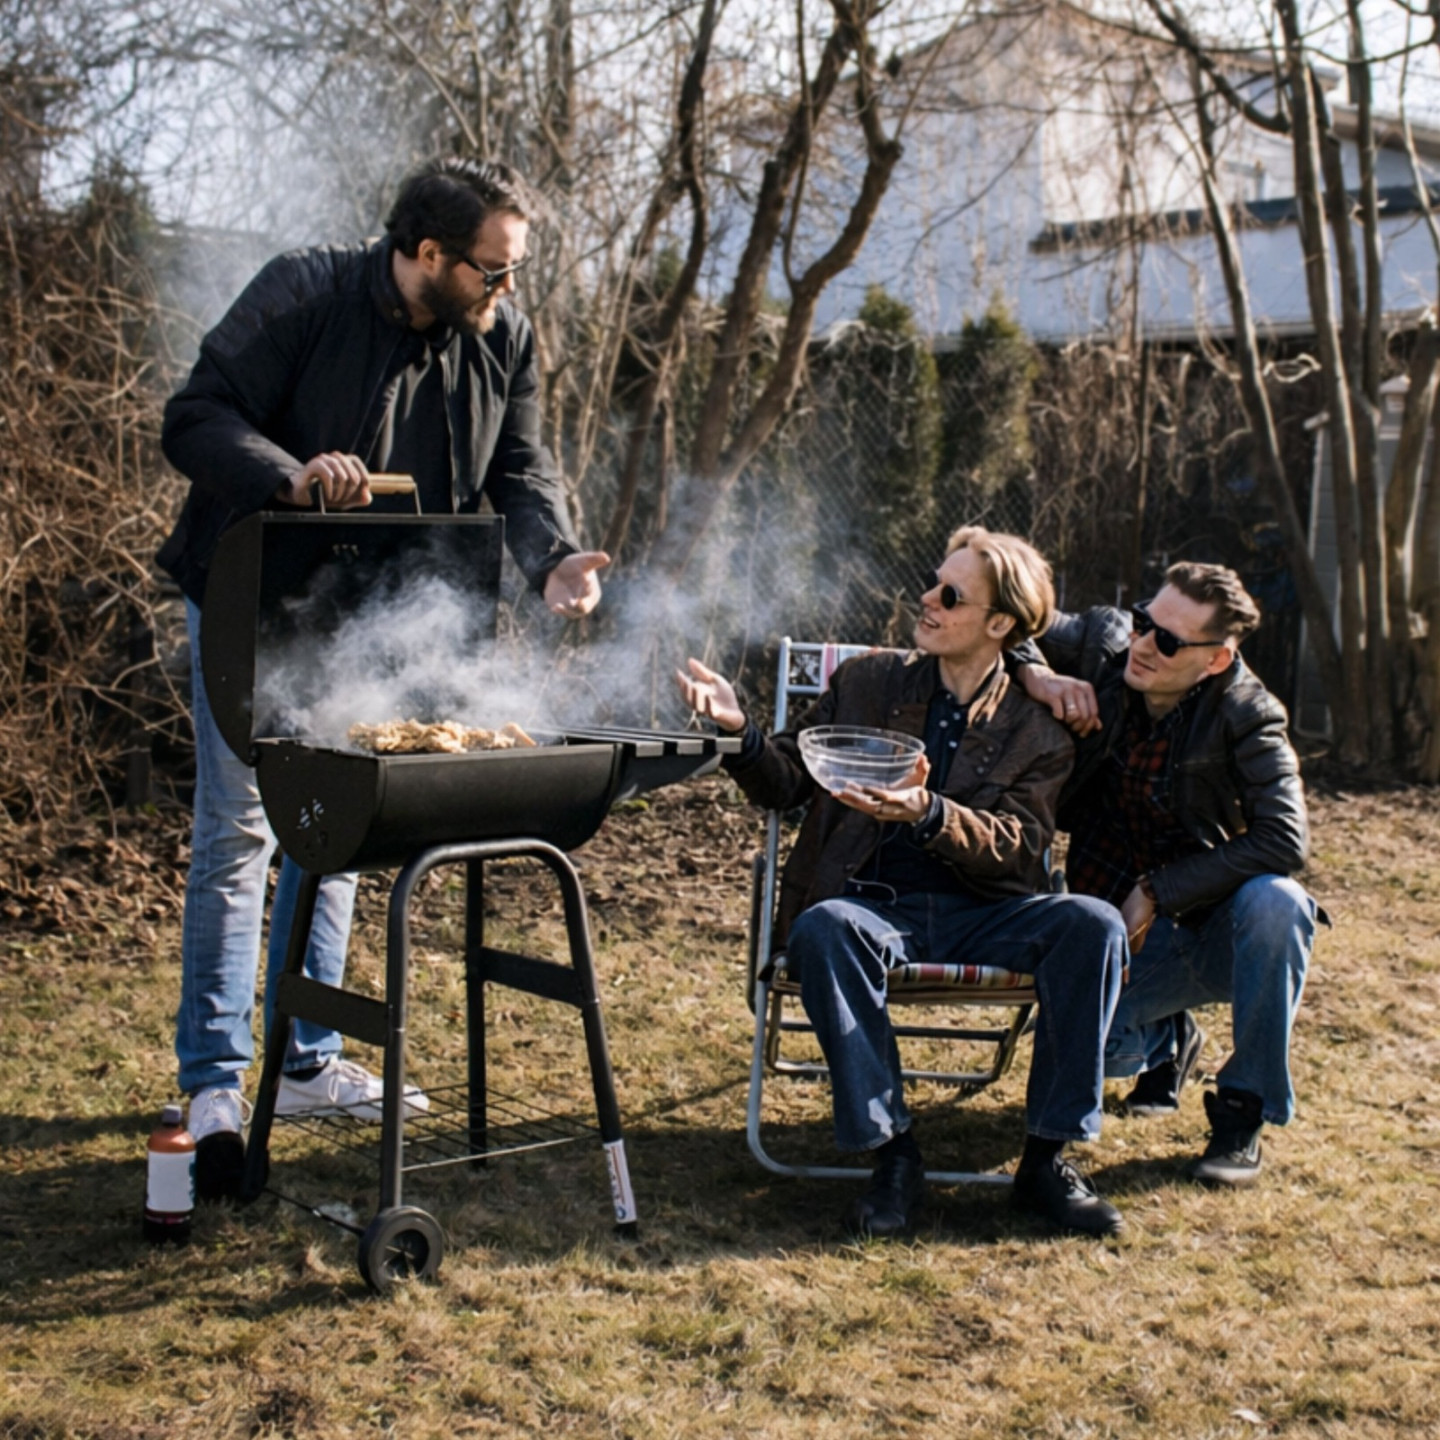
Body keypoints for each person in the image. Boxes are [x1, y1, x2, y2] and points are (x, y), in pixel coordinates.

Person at [159, 157, 609, 1197]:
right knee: (242, 830)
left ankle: (307, 1062)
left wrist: (550, 559)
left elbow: (521, 469)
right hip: (255, 593)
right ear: (426, 253)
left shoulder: (502, 337)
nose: (509, 289)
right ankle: (216, 1082)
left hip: (379, 615)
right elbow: (196, 416)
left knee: (342, 824)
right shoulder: (303, 291)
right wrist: (290, 475)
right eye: (493, 270)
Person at [677, 527, 1129, 1238]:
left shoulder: (1036, 727)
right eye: (931, 582)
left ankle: (1046, 1160)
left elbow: (1019, 850)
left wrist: (929, 813)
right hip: (872, 906)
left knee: (1094, 924)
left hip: (986, 912)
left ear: (1000, 623)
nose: (927, 600)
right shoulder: (869, 682)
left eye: (951, 595)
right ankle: (894, 1155)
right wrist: (741, 732)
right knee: (823, 928)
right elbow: (789, 782)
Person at [1014, 561, 1319, 1187]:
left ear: (1214, 660)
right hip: (1109, 931)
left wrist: (1156, 890)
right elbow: (1005, 609)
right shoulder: (1106, 646)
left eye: (1171, 641)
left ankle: (1242, 1112)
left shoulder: (1249, 713)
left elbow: (1285, 838)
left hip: (1207, 931)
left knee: (1279, 904)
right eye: (1144, 622)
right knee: (1101, 1053)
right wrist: (1036, 673)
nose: (1145, 645)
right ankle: (1168, 1039)